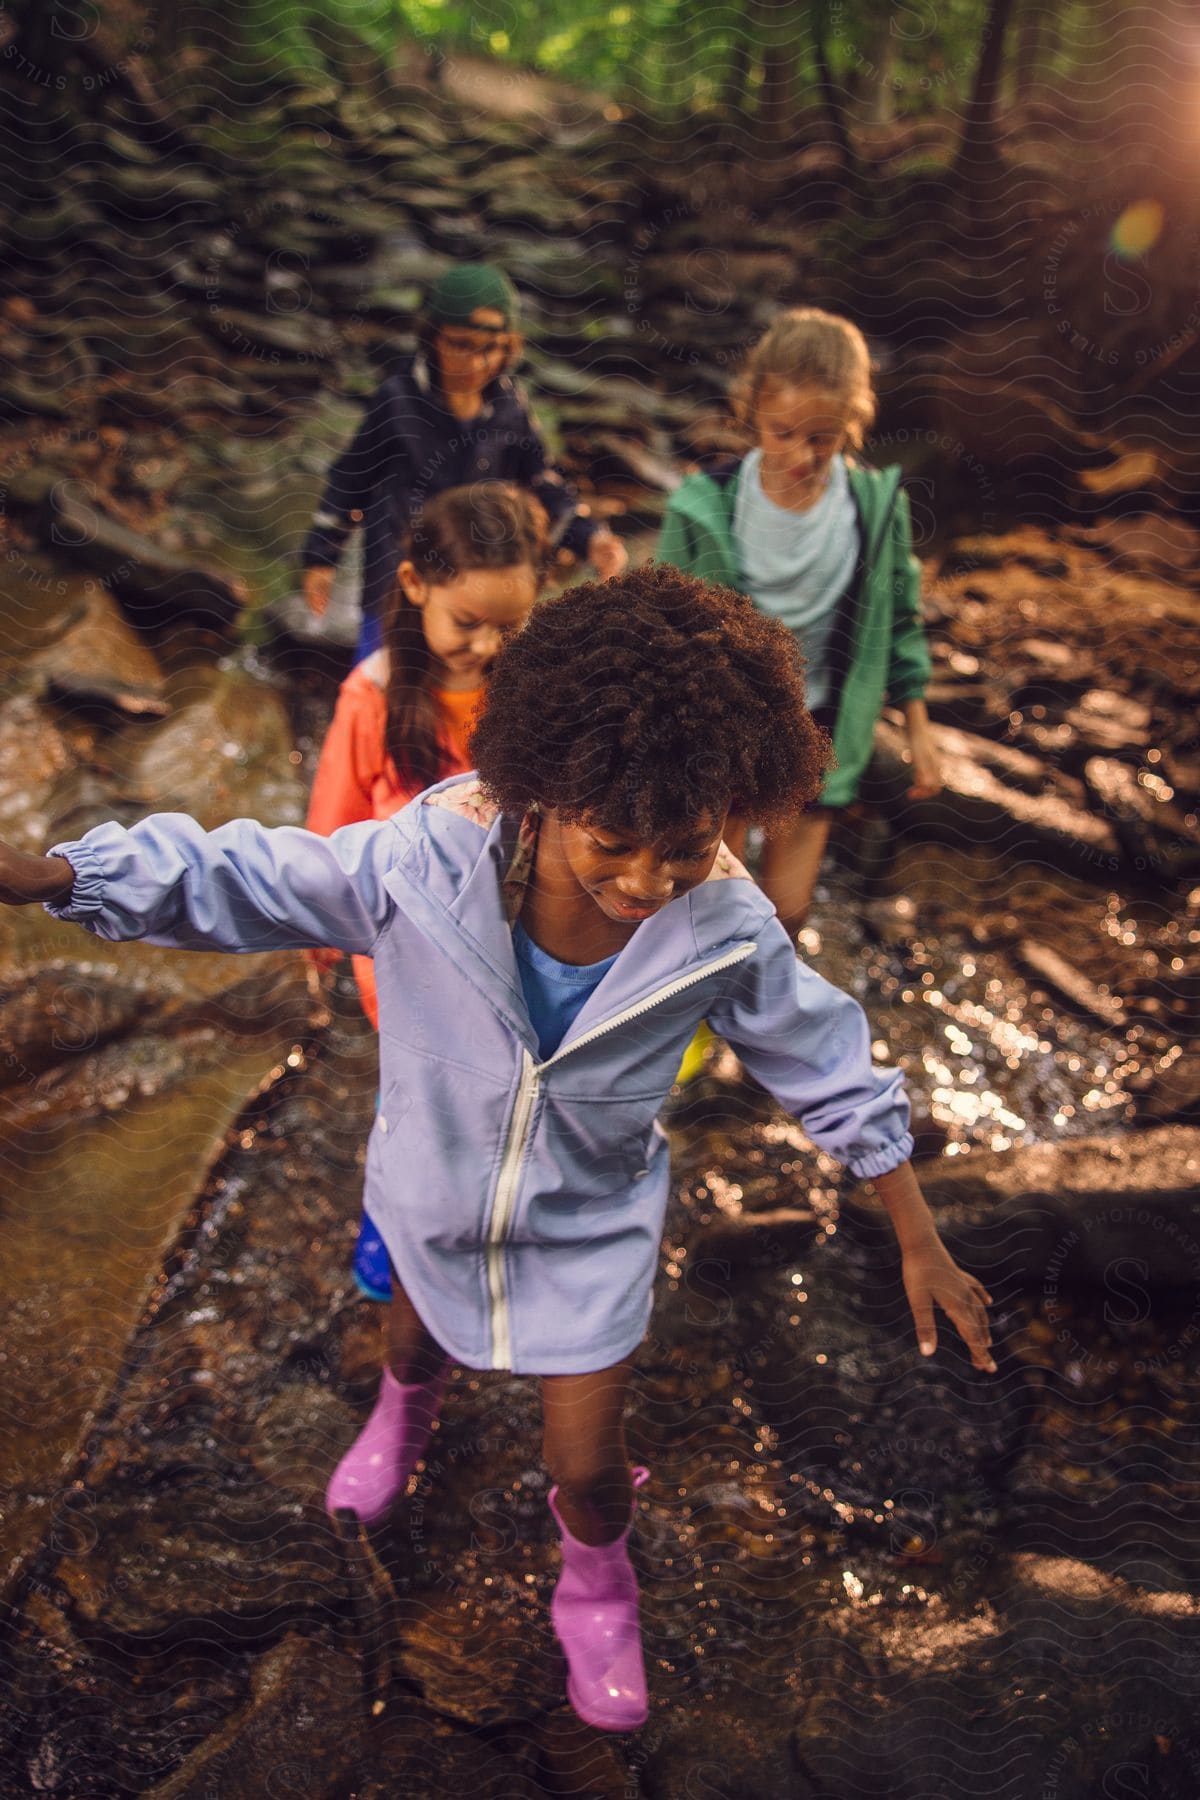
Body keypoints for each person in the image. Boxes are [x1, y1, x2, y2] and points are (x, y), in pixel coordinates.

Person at [0, 566, 995, 1735]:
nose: (644, 882)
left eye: (681, 849)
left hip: (592, 1226)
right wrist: (57, 875)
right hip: (436, 1190)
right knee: (412, 1341)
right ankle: (402, 1416)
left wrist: (916, 1229)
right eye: (613, 844)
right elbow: (255, 875)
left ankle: (596, 1580)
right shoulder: (428, 861)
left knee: (584, 1463)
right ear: (543, 785)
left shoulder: (723, 924)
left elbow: (821, 1055)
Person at [306, 481, 546, 1304]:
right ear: (414, 587)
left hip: (512, 941)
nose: (487, 646)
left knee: (501, 1093)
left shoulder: (531, 688)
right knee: (416, 1103)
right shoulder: (371, 696)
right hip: (404, 955)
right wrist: (313, 928)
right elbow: (333, 829)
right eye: (466, 624)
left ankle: (491, 1221)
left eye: (510, 627)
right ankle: (389, 1239)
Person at [657, 306, 942, 935]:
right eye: (782, 432)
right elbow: (660, 619)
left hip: (821, 728)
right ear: (752, 409)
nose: (799, 456)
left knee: (785, 912)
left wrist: (917, 723)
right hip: (722, 726)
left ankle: (758, 1024)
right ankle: (687, 1022)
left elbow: (899, 614)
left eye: (823, 439)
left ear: (852, 424)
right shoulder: (707, 505)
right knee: (704, 895)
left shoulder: (874, 508)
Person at [301, 261, 626, 658]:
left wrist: (592, 536)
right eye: (459, 344)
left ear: (509, 348)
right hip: (398, 580)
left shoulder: (511, 408)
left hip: (478, 588)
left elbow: (542, 482)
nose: (474, 362)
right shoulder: (397, 400)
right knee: (379, 686)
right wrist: (321, 558)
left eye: (489, 348)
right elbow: (352, 477)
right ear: (432, 338)